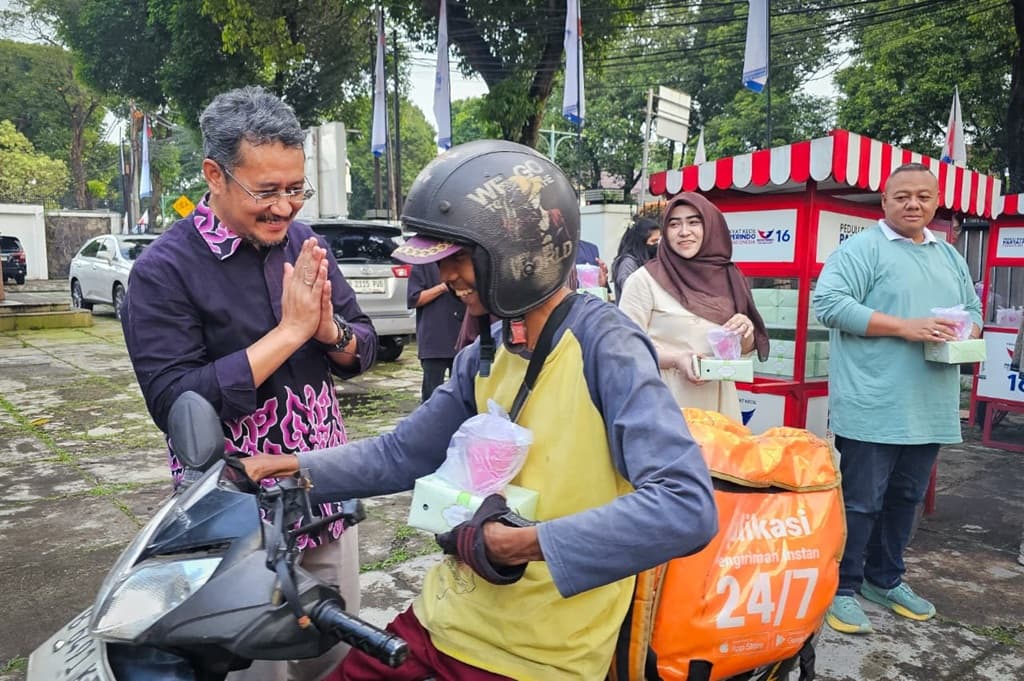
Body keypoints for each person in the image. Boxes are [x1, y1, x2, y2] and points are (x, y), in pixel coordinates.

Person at [240, 140, 718, 680]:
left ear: (518, 253)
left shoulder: (608, 347)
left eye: (458, 258)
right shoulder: (486, 351)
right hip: (444, 616)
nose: (448, 277)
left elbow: (685, 507)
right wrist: (294, 469)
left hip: (538, 655)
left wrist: (520, 545)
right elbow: (402, 453)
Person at [121, 86, 378, 681]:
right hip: (233, 513)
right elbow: (176, 404)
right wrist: (287, 334)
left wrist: (327, 332)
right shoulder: (164, 271)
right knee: (251, 667)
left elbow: (361, 347)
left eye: (295, 188)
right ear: (215, 174)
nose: (284, 208)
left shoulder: (305, 244)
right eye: (266, 191)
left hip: (320, 491)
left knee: (333, 656)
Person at [812, 162, 982, 635]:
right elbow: (829, 304)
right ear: (884, 201)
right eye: (902, 196)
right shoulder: (861, 249)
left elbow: (972, 309)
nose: (913, 204)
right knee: (861, 501)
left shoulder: (948, 255)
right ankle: (841, 587)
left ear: (935, 202)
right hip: (873, 402)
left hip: (929, 401)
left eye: (923, 197)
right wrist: (905, 327)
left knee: (906, 497)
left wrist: (965, 328)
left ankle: (885, 579)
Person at [617, 192, 769, 421]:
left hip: (718, 407)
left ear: (710, 226)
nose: (684, 232)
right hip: (664, 406)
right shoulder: (644, 280)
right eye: (674, 224)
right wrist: (676, 359)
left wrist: (745, 327)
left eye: (694, 222)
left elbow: (743, 350)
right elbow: (623, 346)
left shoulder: (730, 277)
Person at [407, 262, 465, 402]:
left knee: (461, 393)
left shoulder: (461, 259)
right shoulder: (423, 264)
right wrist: (443, 287)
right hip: (433, 340)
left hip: (461, 338)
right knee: (431, 395)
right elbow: (414, 299)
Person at [610, 215, 661, 303]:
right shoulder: (628, 263)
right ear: (641, 242)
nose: (657, 245)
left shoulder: (650, 260)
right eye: (653, 241)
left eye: (658, 241)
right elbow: (631, 293)